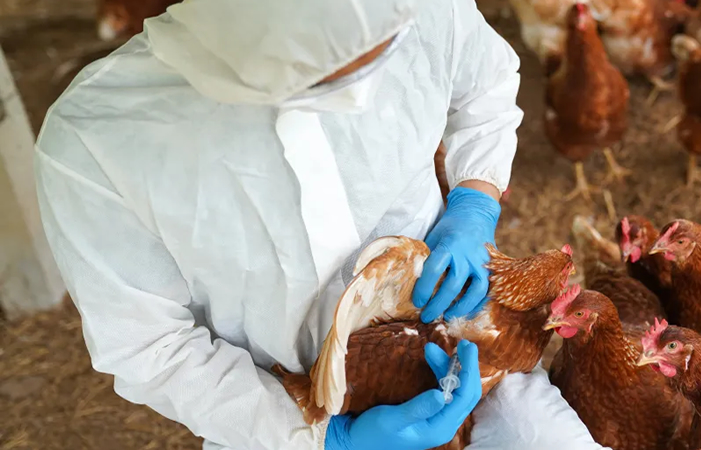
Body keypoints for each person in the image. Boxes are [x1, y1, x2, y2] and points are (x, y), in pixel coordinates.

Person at [34, 0, 608, 449]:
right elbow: (150, 345)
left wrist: (473, 203)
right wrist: (323, 438)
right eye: (329, 77)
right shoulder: (95, 142)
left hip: (460, 347)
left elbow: (484, 85)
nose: (361, 93)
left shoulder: (423, 7)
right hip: (283, 407)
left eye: (385, 48)